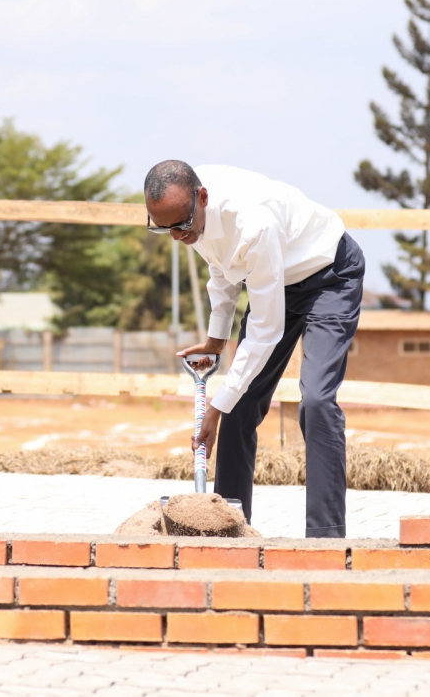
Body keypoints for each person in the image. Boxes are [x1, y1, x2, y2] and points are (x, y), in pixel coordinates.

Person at [144, 161, 363, 537]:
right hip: (274, 279)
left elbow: (266, 329)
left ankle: (325, 537)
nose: (176, 237)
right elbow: (223, 271)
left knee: (316, 401)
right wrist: (216, 339)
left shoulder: (253, 223)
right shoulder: (188, 212)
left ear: (203, 198)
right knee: (240, 403)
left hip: (328, 275)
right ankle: (226, 529)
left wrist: (215, 407)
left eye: (180, 225)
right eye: (164, 228)